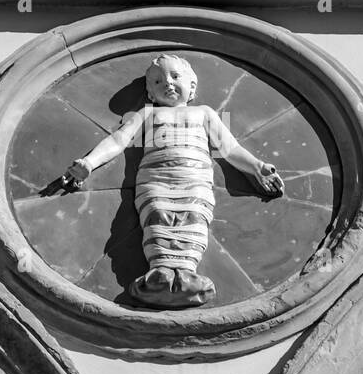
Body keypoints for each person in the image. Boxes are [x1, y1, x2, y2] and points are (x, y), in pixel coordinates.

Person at [63, 54, 284, 307]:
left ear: (192, 85)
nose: (167, 83)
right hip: (156, 180)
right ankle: (159, 274)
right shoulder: (147, 115)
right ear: (150, 93)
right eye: (157, 81)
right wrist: (89, 163)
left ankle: (187, 276)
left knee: (194, 218)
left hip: (194, 179)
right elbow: (118, 141)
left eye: (175, 76)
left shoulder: (203, 113)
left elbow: (230, 148)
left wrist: (258, 167)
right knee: (157, 216)